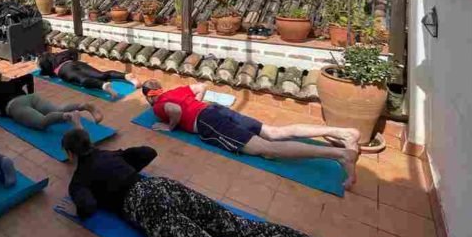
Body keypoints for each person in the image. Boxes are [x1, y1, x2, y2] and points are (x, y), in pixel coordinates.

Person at [57, 117, 399, 237]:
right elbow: (147, 154)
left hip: (148, 211)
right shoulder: (109, 154)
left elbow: (86, 208)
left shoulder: (80, 177)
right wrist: (123, 163)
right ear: (90, 143)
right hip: (164, 189)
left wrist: (84, 194)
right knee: (244, 228)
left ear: (71, 155)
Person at [141, 80, 361, 190]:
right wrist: (197, 104)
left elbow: (175, 111)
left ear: (150, 97)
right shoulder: (175, 89)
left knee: (268, 150)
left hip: (208, 122)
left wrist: (170, 127)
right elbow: (201, 86)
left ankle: (339, 155)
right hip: (215, 109)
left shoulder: (158, 105)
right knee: (275, 132)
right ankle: (345, 133)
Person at [0, 69, 104, 130]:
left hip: (15, 106)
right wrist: (30, 94)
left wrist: (1, 113)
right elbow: (29, 77)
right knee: (57, 109)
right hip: (30, 98)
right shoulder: (12, 82)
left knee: (42, 122)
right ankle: (84, 106)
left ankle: (69, 116)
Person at [38, 49, 139, 100]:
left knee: (82, 80)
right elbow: (73, 51)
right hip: (74, 63)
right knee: (101, 74)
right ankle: (126, 76)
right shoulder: (60, 54)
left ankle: (103, 86)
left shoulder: (45, 61)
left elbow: (44, 72)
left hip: (64, 69)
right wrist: (73, 60)